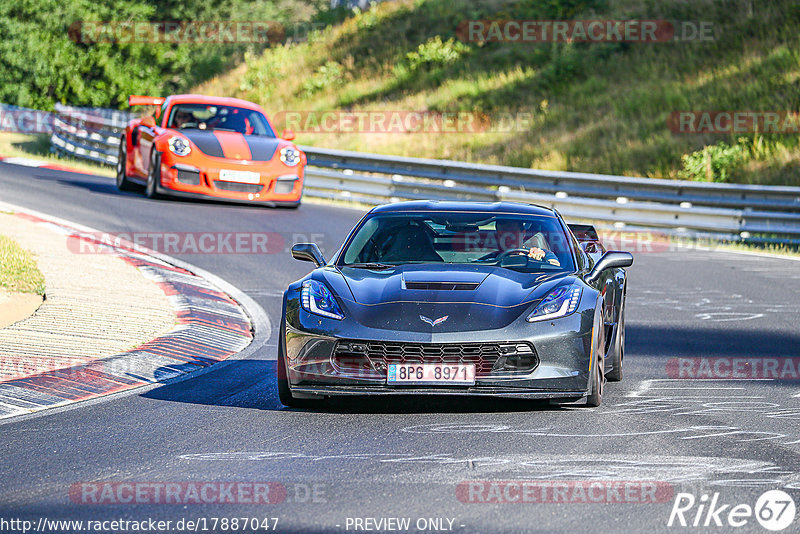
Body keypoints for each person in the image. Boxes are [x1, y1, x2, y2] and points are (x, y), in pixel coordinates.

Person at [493, 219, 561, 266]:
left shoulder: (543, 254)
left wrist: (539, 260)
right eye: (502, 234)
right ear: (498, 236)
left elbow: (557, 268)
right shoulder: (492, 258)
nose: (507, 238)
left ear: (523, 234)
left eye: (512, 233)